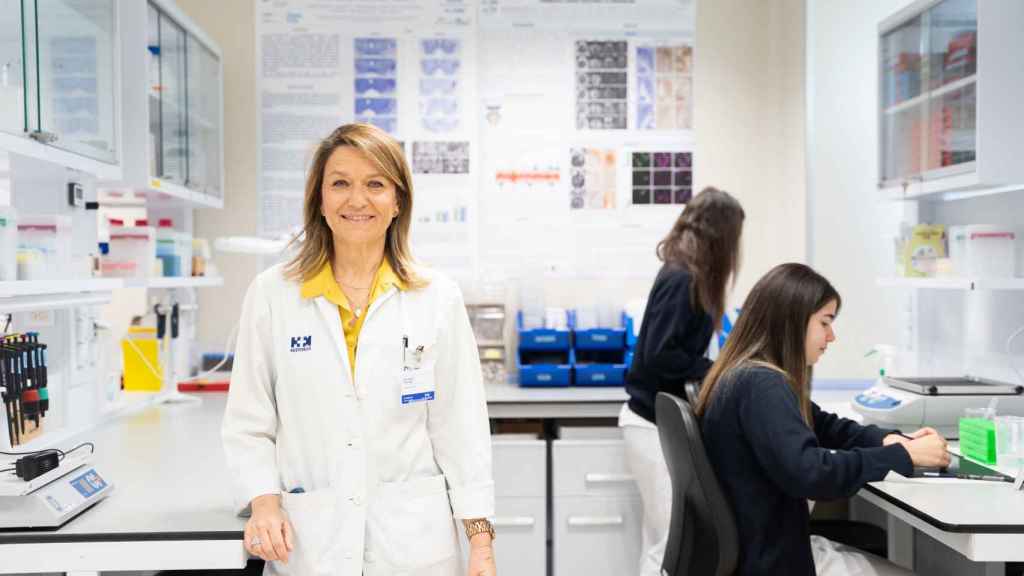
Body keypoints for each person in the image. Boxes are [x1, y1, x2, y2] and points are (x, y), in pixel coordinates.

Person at [222, 123, 496, 576]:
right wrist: (264, 504)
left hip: (413, 545)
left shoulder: (437, 296)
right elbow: (249, 422)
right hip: (310, 544)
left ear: (398, 201)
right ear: (320, 201)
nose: (357, 200)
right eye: (340, 184)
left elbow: (461, 429)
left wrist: (480, 542)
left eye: (375, 184)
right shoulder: (273, 294)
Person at [695, 263, 949, 576]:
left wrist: (886, 440)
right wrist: (901, 456)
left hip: (764, 548)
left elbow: (824, 424)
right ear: (792, 322)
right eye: (824, 322)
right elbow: (811, 474)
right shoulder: (761, 384)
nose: (832, 336)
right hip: (773, 561)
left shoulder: (744, 374)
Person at [619, 187, 745, 576]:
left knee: (660, 538)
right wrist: (714, 369)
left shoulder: (685, 272)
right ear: (721, 236)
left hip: (653, 422)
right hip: (649, 424)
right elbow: (660, 355)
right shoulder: (683, 279)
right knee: (667, 541)